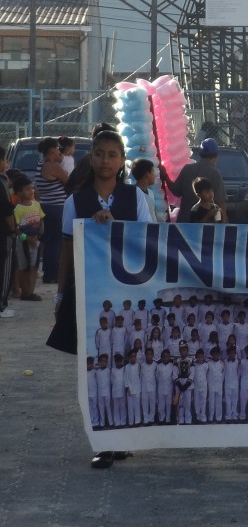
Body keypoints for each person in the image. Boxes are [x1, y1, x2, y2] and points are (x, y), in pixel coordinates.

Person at [46, 128, 154, 468]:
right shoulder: (74, 201)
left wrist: (113, 227)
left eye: (112, 155)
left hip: (128, 295)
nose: (105, 160)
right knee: (96, 370)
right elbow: (66, 250)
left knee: (129, 368)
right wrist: (61, 293)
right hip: (90, 296)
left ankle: (125, 436)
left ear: (122, 160)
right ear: (90, 158)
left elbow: (149, 241)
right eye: (99, 154)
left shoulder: (135, 197)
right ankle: (103, 439)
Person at [165, 138, 228, 223]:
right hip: (205, 228)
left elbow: (175, 191)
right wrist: (225, 224)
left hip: (184, 222)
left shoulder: (187, 169)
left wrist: (165, 176)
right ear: (215, 156)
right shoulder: (215, 173)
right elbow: (221, 203)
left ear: (200, 154)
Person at [34, 137, 68, 284]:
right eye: (57, 149)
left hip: (46, 205)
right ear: (52, 151)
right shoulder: (53, 166)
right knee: (56, 242)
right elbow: (68, 180)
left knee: (49, 241)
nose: (60, 151)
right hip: (56, 207)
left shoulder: (40, 164)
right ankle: (52, 274)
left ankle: (49, 272)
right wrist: (62, 162)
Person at [11, 176, 43, 301]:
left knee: (34, 267)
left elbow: (41, 219)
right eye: (27, 189)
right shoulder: (18, 209)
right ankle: (25, 292)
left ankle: (31, 291)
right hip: (24, 242)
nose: (31, 191)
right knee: (24, 267)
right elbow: (17, 229)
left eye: (32, 188)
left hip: (35, 240)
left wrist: (41, 231)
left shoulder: (37, 205)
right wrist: (26, 238)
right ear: (19, 193)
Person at [0, 154, 15, 320]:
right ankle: (2, 305)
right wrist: (13, 230)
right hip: (4, 233)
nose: (6, 163)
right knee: (5, 268)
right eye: (4, 160)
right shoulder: (1, 182)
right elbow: (6, 209)